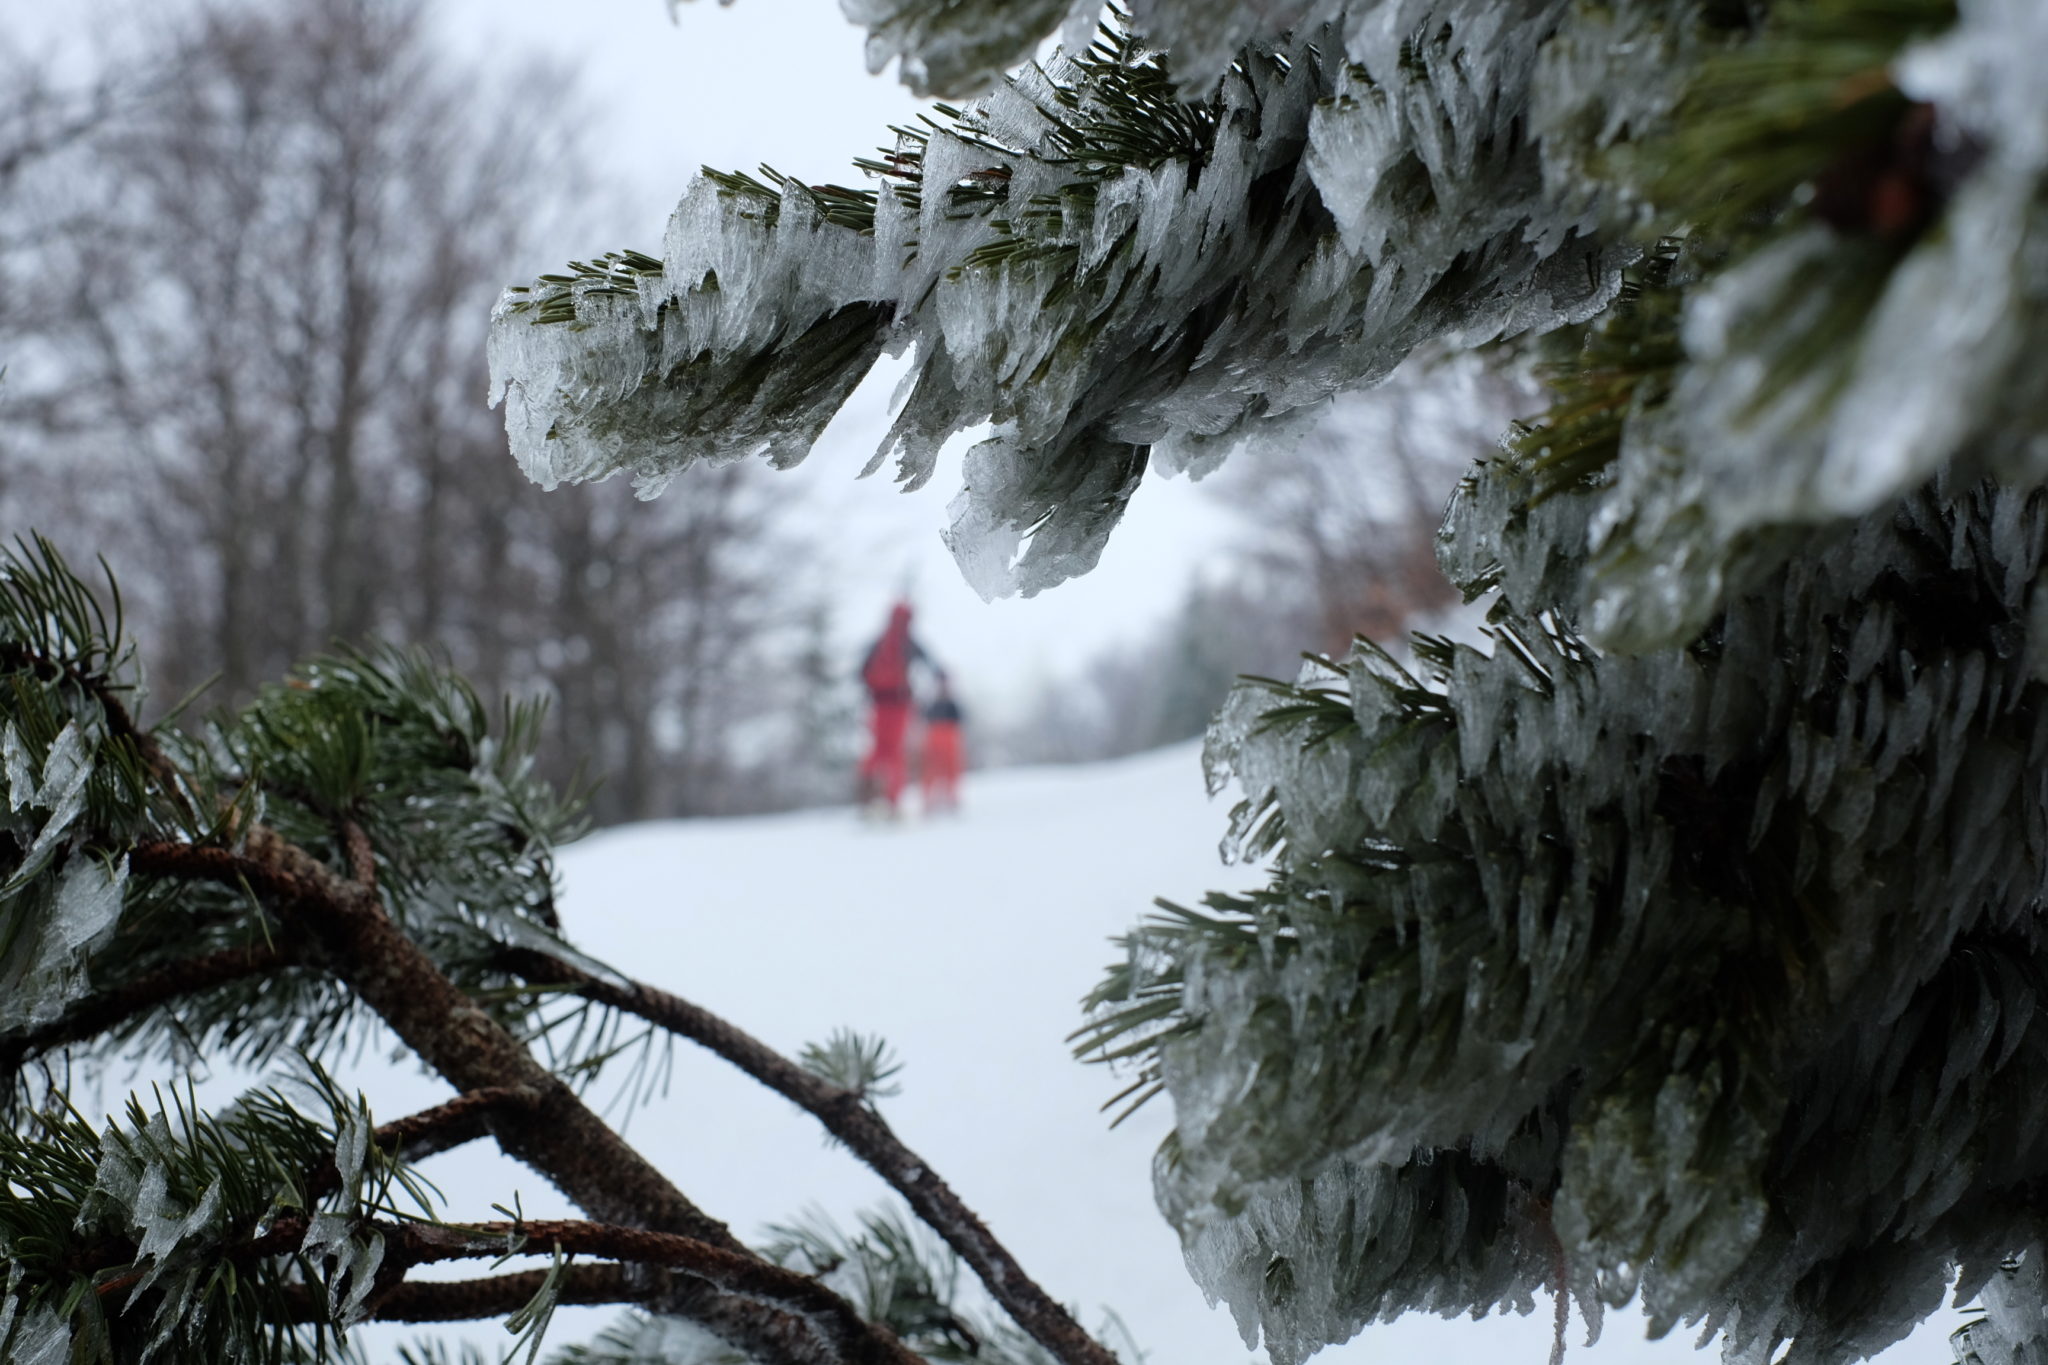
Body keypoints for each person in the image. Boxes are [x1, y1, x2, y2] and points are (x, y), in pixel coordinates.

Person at [856, 600, 927, 816]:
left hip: (878, 706)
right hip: (900, 705)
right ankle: (892, 801)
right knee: (896, 753)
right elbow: (930, 663)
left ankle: (866, 797)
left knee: (877, 750)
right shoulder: (908, 642)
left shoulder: (878, 642)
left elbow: (861, 672)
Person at [920, 671, 966, 814]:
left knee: (951, 770)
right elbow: (924, 720)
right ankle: (929, 802)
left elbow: (959, 721)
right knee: (931, 770)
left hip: (949, 740)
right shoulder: (931, 704)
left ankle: (951, 799)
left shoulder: (953, 704)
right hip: (934, 740)